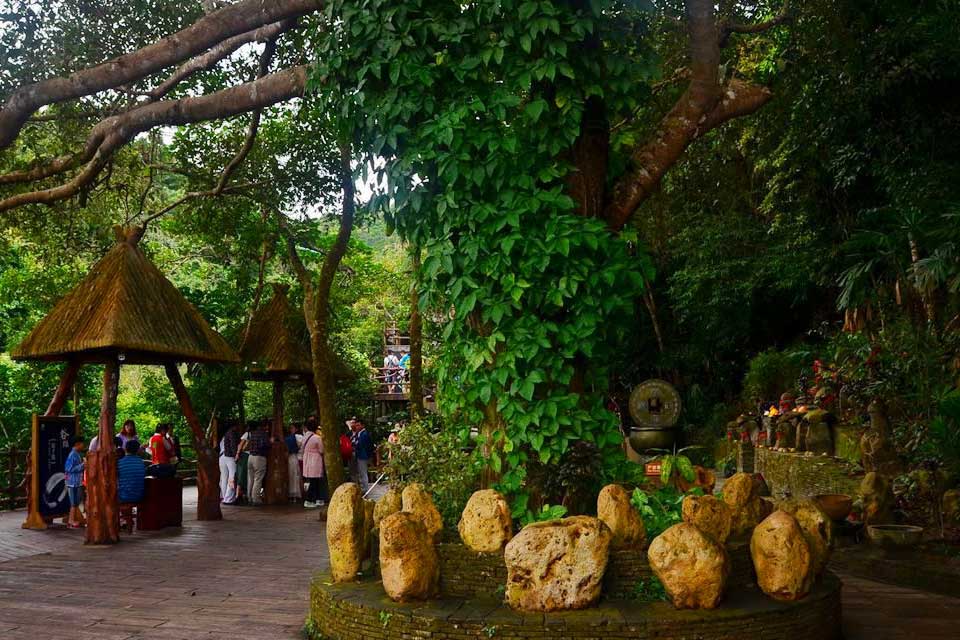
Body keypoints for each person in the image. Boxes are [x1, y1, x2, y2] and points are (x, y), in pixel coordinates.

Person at [242, 421, 271, 505]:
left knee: (250, 478)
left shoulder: (252, 434)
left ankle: (249, 497)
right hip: (259, 458)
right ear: (264, 426)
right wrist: (271, 442)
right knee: (258, 478)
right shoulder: (263, 434)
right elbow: (265, 445)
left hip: (250, 457)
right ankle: (256, 499)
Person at [301, 421, 325, 508]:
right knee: (315, 481)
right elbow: (321, 450)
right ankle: (309, 500)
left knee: (313, 480)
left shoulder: (304, 437)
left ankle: (317, 499)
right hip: (315, 460)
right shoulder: (317, 438)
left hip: (307, 459)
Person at [65, 436, 85, 528]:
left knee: (76, 502)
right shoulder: (72, 454)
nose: (83, 445)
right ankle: (71, 520)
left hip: (77, 481)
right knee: (73, 503)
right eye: (82, 443)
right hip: (72, 482)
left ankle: (72, 519)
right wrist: (83, 465)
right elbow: (69, 468)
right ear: (77, 444)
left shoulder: (77, 454)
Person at [117, 440, 146, 504]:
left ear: (125, 449)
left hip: (123, 497)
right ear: (137, 450)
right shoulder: (141, 462)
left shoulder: (120, 463)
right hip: (139, 497)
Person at [350, 418, 374, 494]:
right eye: (356, 425)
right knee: (360, 472)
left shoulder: (364, 434)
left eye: (358, 425)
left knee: (363, 472)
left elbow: (362, 445)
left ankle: (365, 489)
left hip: (363, 455)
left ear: (362, 425)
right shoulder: (359, 434)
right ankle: (363, 488)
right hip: (359, 455)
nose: (357, 427)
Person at [219, 421, 240, 505]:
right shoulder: (232, 433)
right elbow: (233, 445)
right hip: (230, 457)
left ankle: (224, 497)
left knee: (224, 478)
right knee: (232, 477)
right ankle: (229, 499)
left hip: (222, 457)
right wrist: (236, 455)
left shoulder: (224, 436)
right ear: (234, 426)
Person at [285, 422, 303, 502]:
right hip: (293, 457)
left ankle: (294, 494)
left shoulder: (297, 437)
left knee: (294, 475)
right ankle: (294, 494)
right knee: (294, 475)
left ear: (296, 429)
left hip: (293, 457)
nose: (291, 429)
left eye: (292, 428)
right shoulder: (296, 437)